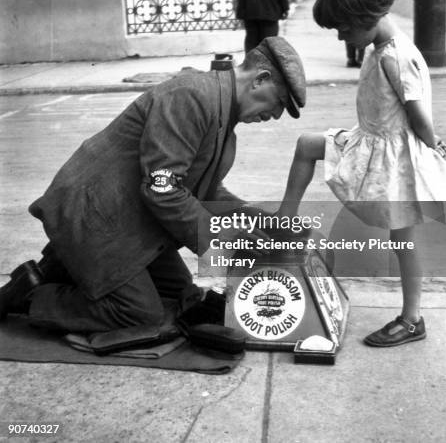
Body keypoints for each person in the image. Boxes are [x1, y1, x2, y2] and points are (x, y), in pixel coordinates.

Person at [0, 37, 306, 337]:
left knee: (179, 296)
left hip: (128, 220)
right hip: (94, 217)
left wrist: (254, 218)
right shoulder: (193, 96)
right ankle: (29, 296)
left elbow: (206, 191)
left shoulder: (223, 118)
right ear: (260, 79)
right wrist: (221, 240)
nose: (276, 115)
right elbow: (163, 188)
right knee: (140, 313)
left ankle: (63, 268)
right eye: (279, 102)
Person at [278, 0, 446, 347]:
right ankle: (283, 224)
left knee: (403, 240)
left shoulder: (396, 55)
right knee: (307, 145)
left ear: (367, 15)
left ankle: (412, 319)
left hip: (394, 159)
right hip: (370, 140)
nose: (342, 37)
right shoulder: (379, 46)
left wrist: (433, 142)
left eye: (345, 28)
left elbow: (418, 113)